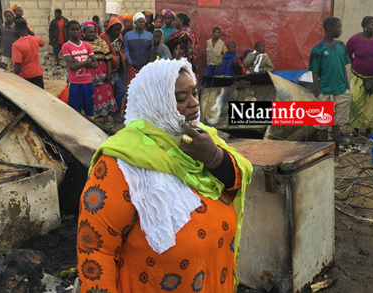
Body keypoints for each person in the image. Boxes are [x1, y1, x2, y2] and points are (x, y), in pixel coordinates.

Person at [76, 58, 253, 292]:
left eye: (194, 93)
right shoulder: (122, 162)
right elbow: (97, 250)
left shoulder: (203, 138)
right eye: (181, 98)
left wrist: (212, 156)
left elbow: (237, 178)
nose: (194, 104)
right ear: (155, 101)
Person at [308, 17, 351, 157]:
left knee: (336, 125)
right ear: (331, 29)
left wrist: (347, 87)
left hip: (341, 91)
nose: (340, 30)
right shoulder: (317, 50)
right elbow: (315, 73)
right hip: (325, 92)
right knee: (322, 126)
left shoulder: (341, 46)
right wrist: (318, 93)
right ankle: (324, 155)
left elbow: (344, 67)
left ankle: (336, 154)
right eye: (339, 27)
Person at [346, 16, 373, 137]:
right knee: (357, 101)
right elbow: (347, 54)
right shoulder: (354, 39)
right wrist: (357, 64)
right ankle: (357, 129)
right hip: (358, 75)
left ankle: (369, 129)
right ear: (364, 26)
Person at [82, 21, 117, 125]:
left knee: (104, 96)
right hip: (88, 73)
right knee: (90, 96)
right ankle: (90, 119)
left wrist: (109, 73)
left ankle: (105, 119)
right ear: (84, 33)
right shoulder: (82, 43)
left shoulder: (101, 42)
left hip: (102, 72)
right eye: (89, 32)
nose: (91, 34)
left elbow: (108, 58)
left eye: (93, 32)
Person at [61, 20, 98, 118]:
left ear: (80, 31)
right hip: (75, 84)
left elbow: (95, 64)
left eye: (77, 29)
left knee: (89, 111)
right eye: (72, 30)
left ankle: (90, 130)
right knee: (75, 112)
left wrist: (77, 62)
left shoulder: (86, 45)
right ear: (68, 31)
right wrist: (86, 62)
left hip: (88, 83)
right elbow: (72, 67)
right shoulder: (66, 46)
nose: (75, 32)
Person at [100, 16, 127, 123]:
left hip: (119, 66)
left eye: (118, 29)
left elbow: (121, 49)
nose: (117, 32)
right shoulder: (103, 37)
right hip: (110, 68)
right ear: (110, 28)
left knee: (118, 91)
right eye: (115, 29)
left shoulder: (120, 36)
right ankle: (115, 113)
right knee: (121, 90)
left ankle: (116, 112)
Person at [12, 19, 45, 89]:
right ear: (26, 28)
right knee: (40, 97)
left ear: (16, 29)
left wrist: (13, 79)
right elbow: (42, 44)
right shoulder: (35, 39)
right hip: (38, 75)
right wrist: (31, 33)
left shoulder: (16, 45)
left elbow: (17, 65)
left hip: (25, 78)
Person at [124, 13, 153, 84]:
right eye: (139, 22)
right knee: (133, 86)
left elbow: (151, 50)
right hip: (133, 66)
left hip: (146, 66)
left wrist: (148, 62)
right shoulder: (128, 35)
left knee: (145, 86)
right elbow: (126, 50)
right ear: (135, 23)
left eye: (143, 22)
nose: (141, 24)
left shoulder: (149, 35)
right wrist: (131, 62)